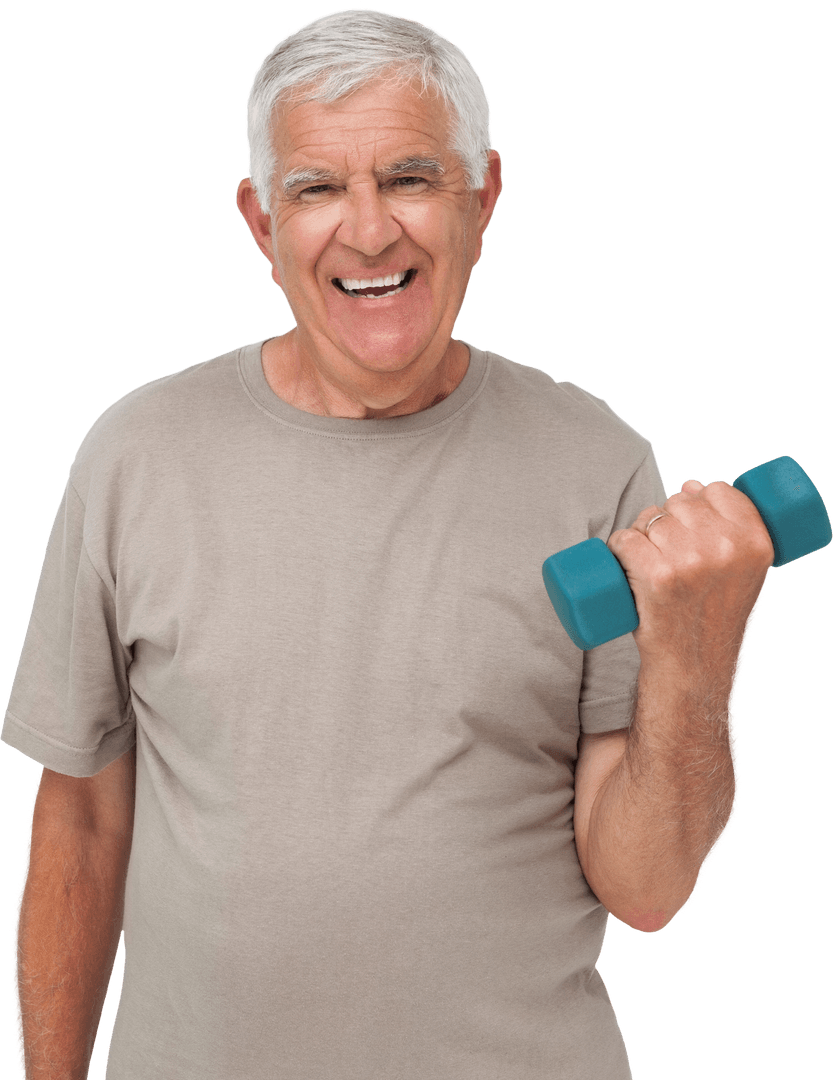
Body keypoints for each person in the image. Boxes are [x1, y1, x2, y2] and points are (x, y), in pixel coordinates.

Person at [3, 10, 774, 1080]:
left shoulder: (597, 461)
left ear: (480, 196)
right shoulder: (135, 454)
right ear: (261, 221)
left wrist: (695, 656)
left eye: (409, 177)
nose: (368, 233)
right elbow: (82, 821)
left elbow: (642, 890)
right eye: (317, 189)